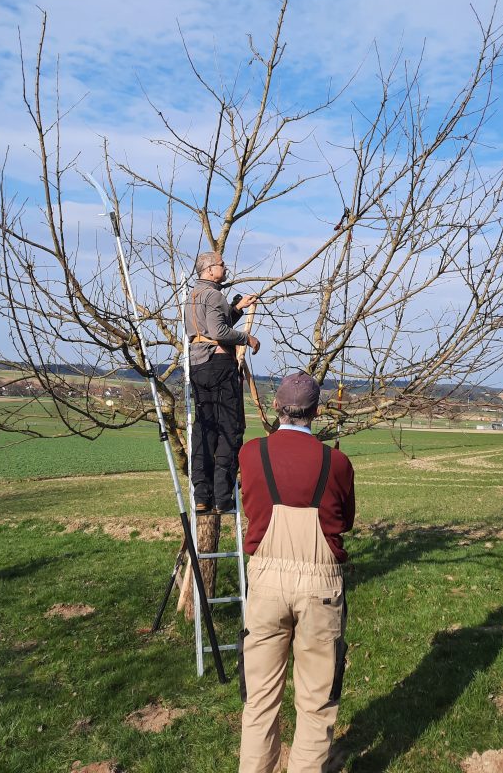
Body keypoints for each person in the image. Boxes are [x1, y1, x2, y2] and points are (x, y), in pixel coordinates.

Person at [237, 372, 355, 773]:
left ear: (275, 408)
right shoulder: (337, 463)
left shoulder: (250, 454)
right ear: (317, 412)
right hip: (321, 584)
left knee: (259, 699)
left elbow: (252, 506)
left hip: (266, 582)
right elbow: (347, 520)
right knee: (316, 702)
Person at [184, 251, 259, 514]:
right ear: (209, 270)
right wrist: (247, 339)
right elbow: (218, 332)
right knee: (230, 428)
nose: (225, 267)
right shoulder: (214, 295)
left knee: (205, 428)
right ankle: (222, 496)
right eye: (221, 264)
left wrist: (237, 308)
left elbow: (210, 328)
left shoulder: (193, 295)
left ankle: (201, 495)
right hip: (219, 366)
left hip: (198, 366)